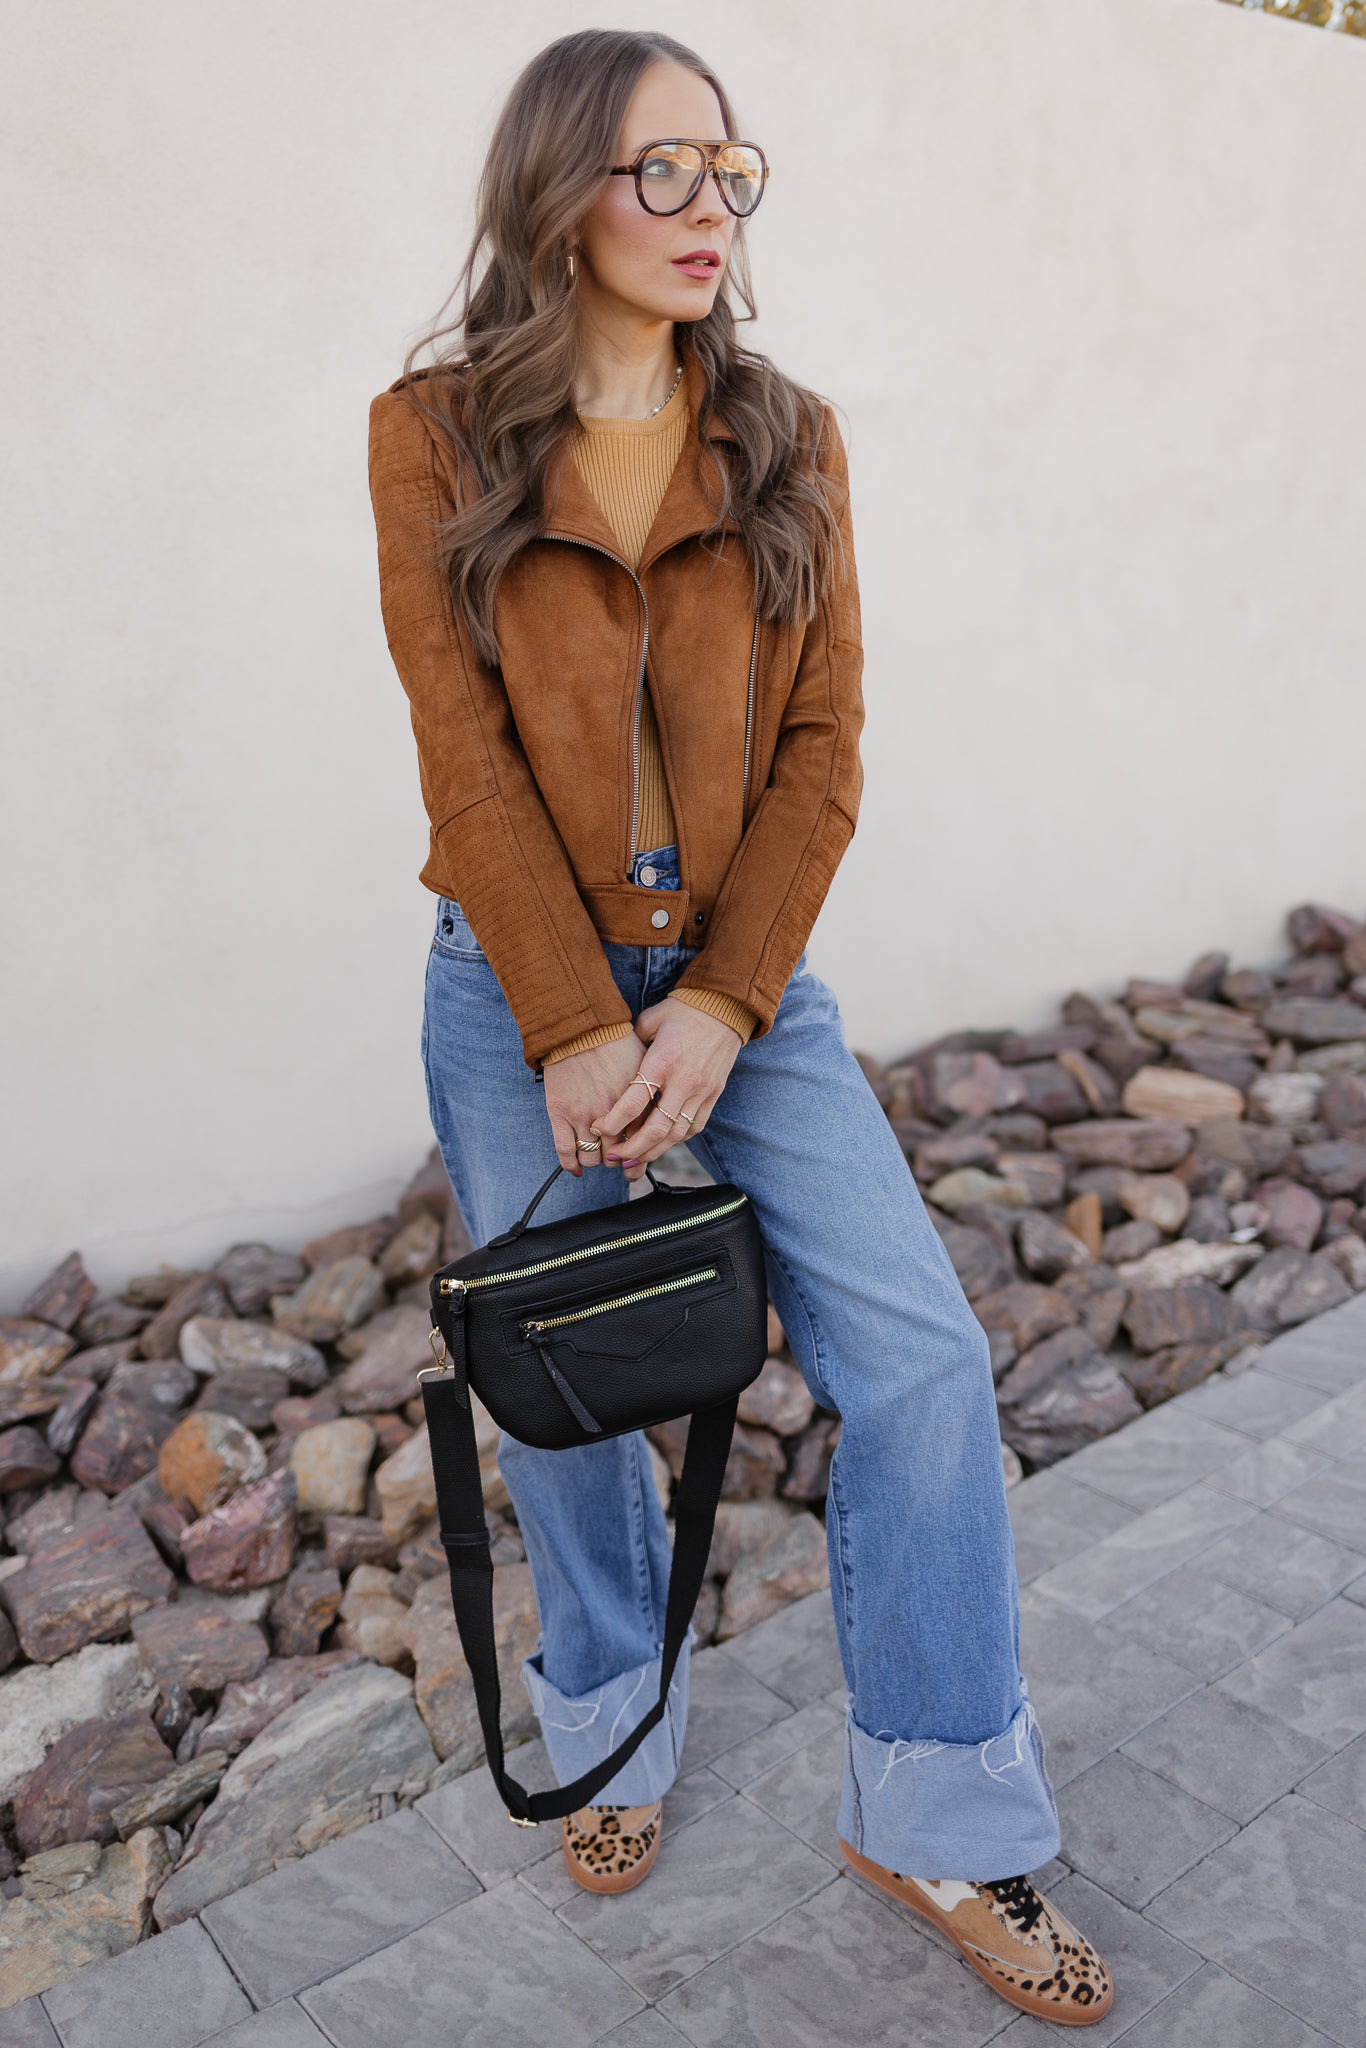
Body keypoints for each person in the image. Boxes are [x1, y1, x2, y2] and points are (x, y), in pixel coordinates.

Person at [367, 27, 1114, 2026]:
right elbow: (463, 762)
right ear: (557, 200)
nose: (710, 206)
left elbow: (822, 747)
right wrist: (565, 1023)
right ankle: (611, 1716)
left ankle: (938, 1814)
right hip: (513, 986)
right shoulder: (431, 435)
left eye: (730, 167)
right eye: (661, 170)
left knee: (924, 1363)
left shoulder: (787, 434)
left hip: (742, 989)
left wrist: (714, 1001)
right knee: (561, 1375)